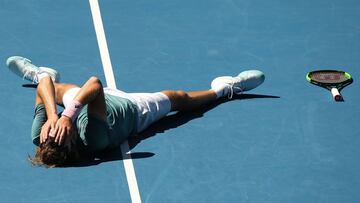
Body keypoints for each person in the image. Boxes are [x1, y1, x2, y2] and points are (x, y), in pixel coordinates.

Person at [6, 56, 265, 167]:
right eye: (62, 132)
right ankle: (226, 89)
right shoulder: (93, 141)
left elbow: (43, 90)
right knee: (179, 99)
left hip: (88, 107)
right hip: (131, 109)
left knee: (57, 88)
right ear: (73, 140)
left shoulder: (40, 134)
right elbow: (95, 84)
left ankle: (41, 70)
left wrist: (54, 116)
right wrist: (66, 116)